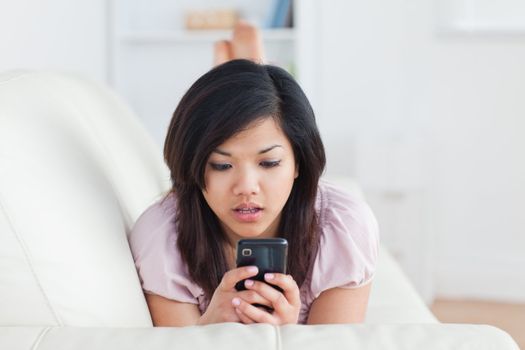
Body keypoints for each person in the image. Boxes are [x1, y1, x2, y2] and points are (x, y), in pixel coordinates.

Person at [128, 22, 379, 326]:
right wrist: (208, 328)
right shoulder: (162, 236)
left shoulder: (343, 229)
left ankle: (244, 71)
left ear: (299, 163)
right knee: (253, 120)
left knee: (264, 113)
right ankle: (245, 71)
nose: (246, 188)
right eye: (221, 165)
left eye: (269, 163)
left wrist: (287, 337)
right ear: (194, 166)